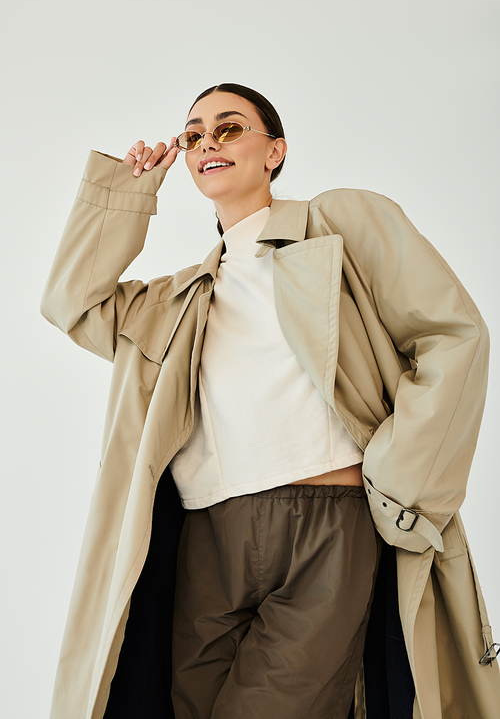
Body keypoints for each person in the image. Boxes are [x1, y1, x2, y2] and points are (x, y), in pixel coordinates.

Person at [41, 83, 500, 719]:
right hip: (207, 537)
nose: (207, 143)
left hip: (325, 523)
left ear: (275, 151)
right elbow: (72, 304)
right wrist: (127, 191)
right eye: (194, 134)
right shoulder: (175, 304)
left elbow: (453, 337)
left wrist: (403, 478)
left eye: (229, 128)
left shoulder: (338, 225)